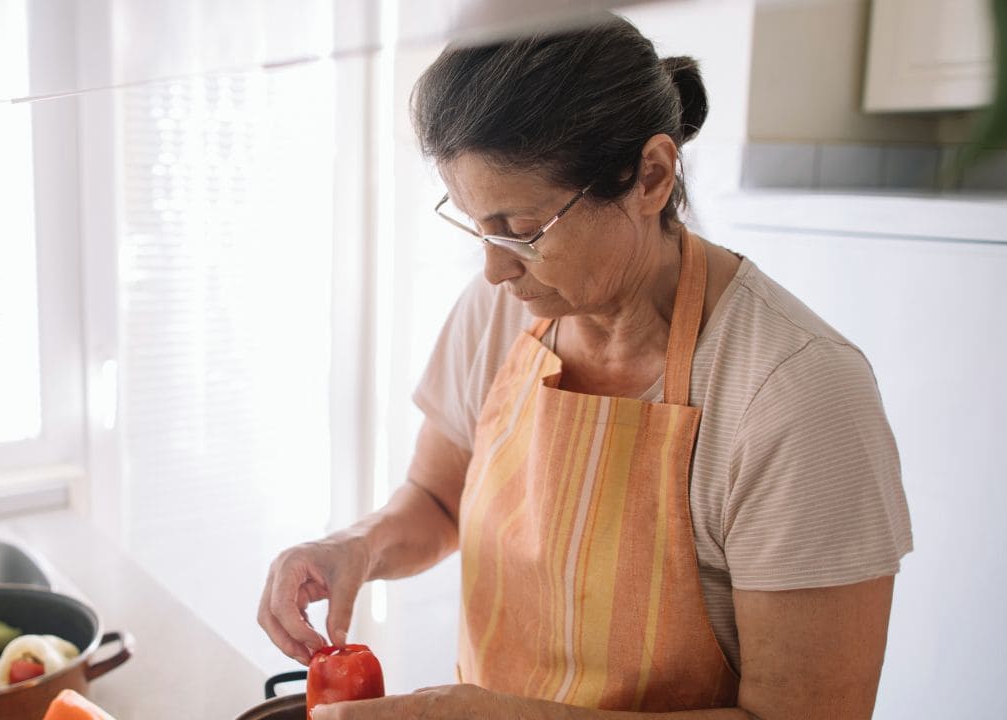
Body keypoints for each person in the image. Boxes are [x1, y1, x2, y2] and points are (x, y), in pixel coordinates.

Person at [259, 14, 912, 720]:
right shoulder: (503, 312)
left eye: (521, 231)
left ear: (651, 177)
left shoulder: (795, 393)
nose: (494, 267)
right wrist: (355, 546)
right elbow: (439, 498)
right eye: (477, 224)